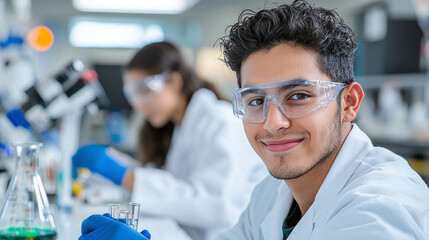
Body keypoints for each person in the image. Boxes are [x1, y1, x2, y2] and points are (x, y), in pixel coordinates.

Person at [79, 1, 429, 239]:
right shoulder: (274, 193)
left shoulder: (378, 210)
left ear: (349, 102)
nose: (273, 122)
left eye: (298, 96)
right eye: (256, 100)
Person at [73, 41, 267, 240]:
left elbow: (216, 204)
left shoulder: (220, 120)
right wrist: (117, 165)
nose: (139, 105)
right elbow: (170, 182)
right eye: (133, 95)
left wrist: (125, 175)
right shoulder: (180, 126)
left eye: (145, 91)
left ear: (175, 82)